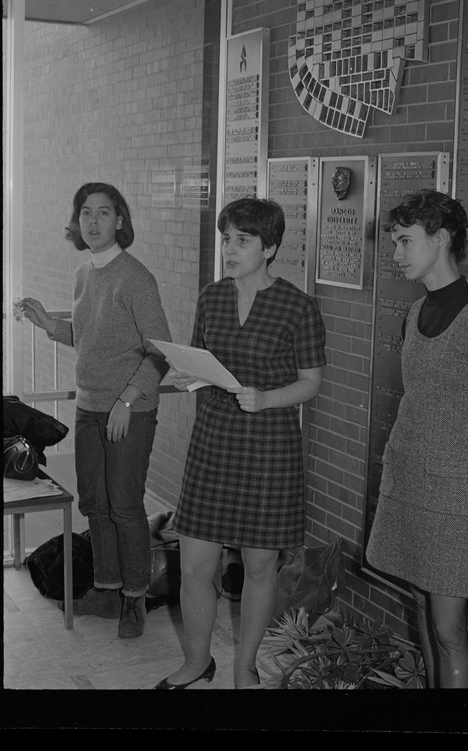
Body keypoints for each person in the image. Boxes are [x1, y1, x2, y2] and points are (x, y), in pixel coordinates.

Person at [155, 198, 326, 689]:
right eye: (226, 238)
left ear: (269, 246)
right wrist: (187, 375)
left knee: (258, 565)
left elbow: (311, 382)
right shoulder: (212, 297)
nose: (230, 249)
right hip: (213, 442)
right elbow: (197, 358)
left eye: (243, 240)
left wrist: (267, 397)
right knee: (194, 567)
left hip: (269, 448)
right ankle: (196, 661)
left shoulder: (298, 306)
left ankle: (245, 667)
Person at [18, 182, 171, 640]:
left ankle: (135, 600)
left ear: (120, 221)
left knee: (125, 507)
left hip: (130, 411)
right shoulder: (85, 273)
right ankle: (106, 589)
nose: (93, 221)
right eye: (85, 212)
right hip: (89, 409)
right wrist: (50, 325)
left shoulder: (135, 278)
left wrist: (127, 401)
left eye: (104, 213)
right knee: (95, 505)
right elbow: (91, 339)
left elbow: (159, 353)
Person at [366, 188, 468, 689]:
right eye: (394, 242)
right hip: (409, 481)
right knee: (424, 616)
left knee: (450, 631)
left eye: (406, 241)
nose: (396, 254)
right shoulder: (414, 312)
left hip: (453, 496)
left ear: (442, 239)